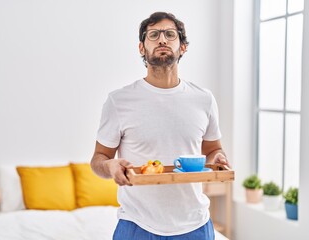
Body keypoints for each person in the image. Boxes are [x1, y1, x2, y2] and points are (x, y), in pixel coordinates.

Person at [90, 12, 230, 240]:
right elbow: (98, 159)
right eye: (153, 35)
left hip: (195, 225)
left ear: (182, 47)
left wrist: (219, 159)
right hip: (136, 224)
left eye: (170, 34)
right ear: (141, 48)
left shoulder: (204, 99)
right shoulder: (119, 100)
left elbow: (213, 150)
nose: (162, 40)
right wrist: (110, 167)